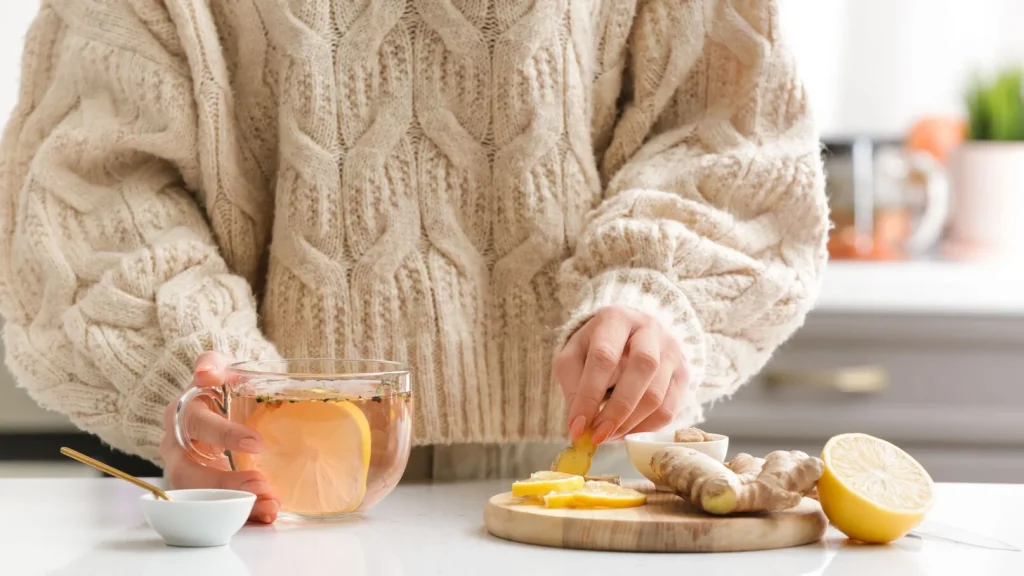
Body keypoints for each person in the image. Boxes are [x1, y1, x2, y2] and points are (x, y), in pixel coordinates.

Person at [0, 0, 828, 523]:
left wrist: (653, 290)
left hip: (594, 496)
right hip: (269, 495)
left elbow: (724, 125)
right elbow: (97, 177)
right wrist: (193, 369)